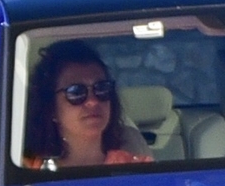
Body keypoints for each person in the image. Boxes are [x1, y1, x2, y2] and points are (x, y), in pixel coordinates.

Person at [21, 42, 151, 170]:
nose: (93, 101)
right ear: (51, 108)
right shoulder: (25, 172)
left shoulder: (136, 170)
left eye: (101, 88)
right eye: (76, 92)